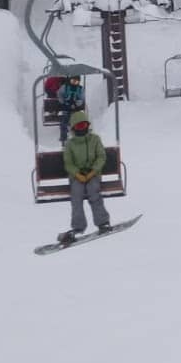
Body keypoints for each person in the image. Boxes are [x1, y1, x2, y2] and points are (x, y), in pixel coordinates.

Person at [58, 110, 113, 243]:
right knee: (76, 195)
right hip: (77, 176)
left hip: (92, 174)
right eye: (78, 126)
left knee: (94, 191)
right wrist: (77, 174)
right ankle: (78, 227)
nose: (81, 129)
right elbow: (68, 163)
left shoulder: (95, 139)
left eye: (83, 125)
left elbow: (101, 156)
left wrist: (93, 171)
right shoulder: (70, 144)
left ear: (88, 126)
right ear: (73, 128)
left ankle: (102, 222)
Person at [56, 75, 87, 142]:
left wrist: (76, 103)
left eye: (76, 82)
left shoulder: (80, 89)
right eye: (73, 81)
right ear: (70, 80)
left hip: (76, 108)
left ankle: (79, 136)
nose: (74, 83)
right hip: (66, 107)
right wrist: (63, 102)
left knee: (78, 121)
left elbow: (82, 98)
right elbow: (59, 94)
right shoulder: (65, 87)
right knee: (64, 122)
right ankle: (63, 137)